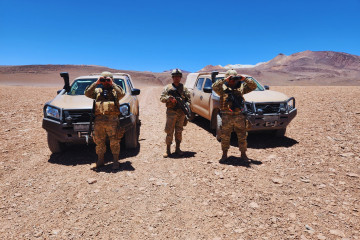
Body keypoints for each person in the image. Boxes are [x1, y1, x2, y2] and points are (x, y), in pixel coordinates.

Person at [212, 69, 257, 162]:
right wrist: (225, 80)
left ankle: (243, 154)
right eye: (231, 78)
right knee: (225, 136)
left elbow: (253, 86)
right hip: (226, 116)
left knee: (242, 136)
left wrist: (244, 79)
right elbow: (214, 86)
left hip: (239, 116)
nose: (233, 80)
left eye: (234, 78)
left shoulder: (241, 88)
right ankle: (224, 155)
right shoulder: (222, 89)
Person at [84, 71, 126, 170]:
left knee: (114, 141)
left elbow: (122, 94)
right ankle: (100, 161)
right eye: (104, 80)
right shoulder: (98, 91)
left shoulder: (115, 91)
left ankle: (115, 161)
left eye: (108, 80)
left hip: (113, 121)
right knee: (99, 142)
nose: (105, 82)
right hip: (99, 121)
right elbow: (87, 93)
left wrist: (113, 84)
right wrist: (96, 83)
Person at [160, 69, 191, 158]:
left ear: (180, 77)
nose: (176, 78)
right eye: (175, 76)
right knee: (169, 130)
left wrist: (186, 106)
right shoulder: (168, 88)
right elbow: (161, 98)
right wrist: (169, 99)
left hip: (181, 113)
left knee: (179, 130)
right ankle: (168, 150)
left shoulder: (184, 88)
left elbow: (189, 100)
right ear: (172, 77)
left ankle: (178, 148)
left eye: (178, 76)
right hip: (171, 112)